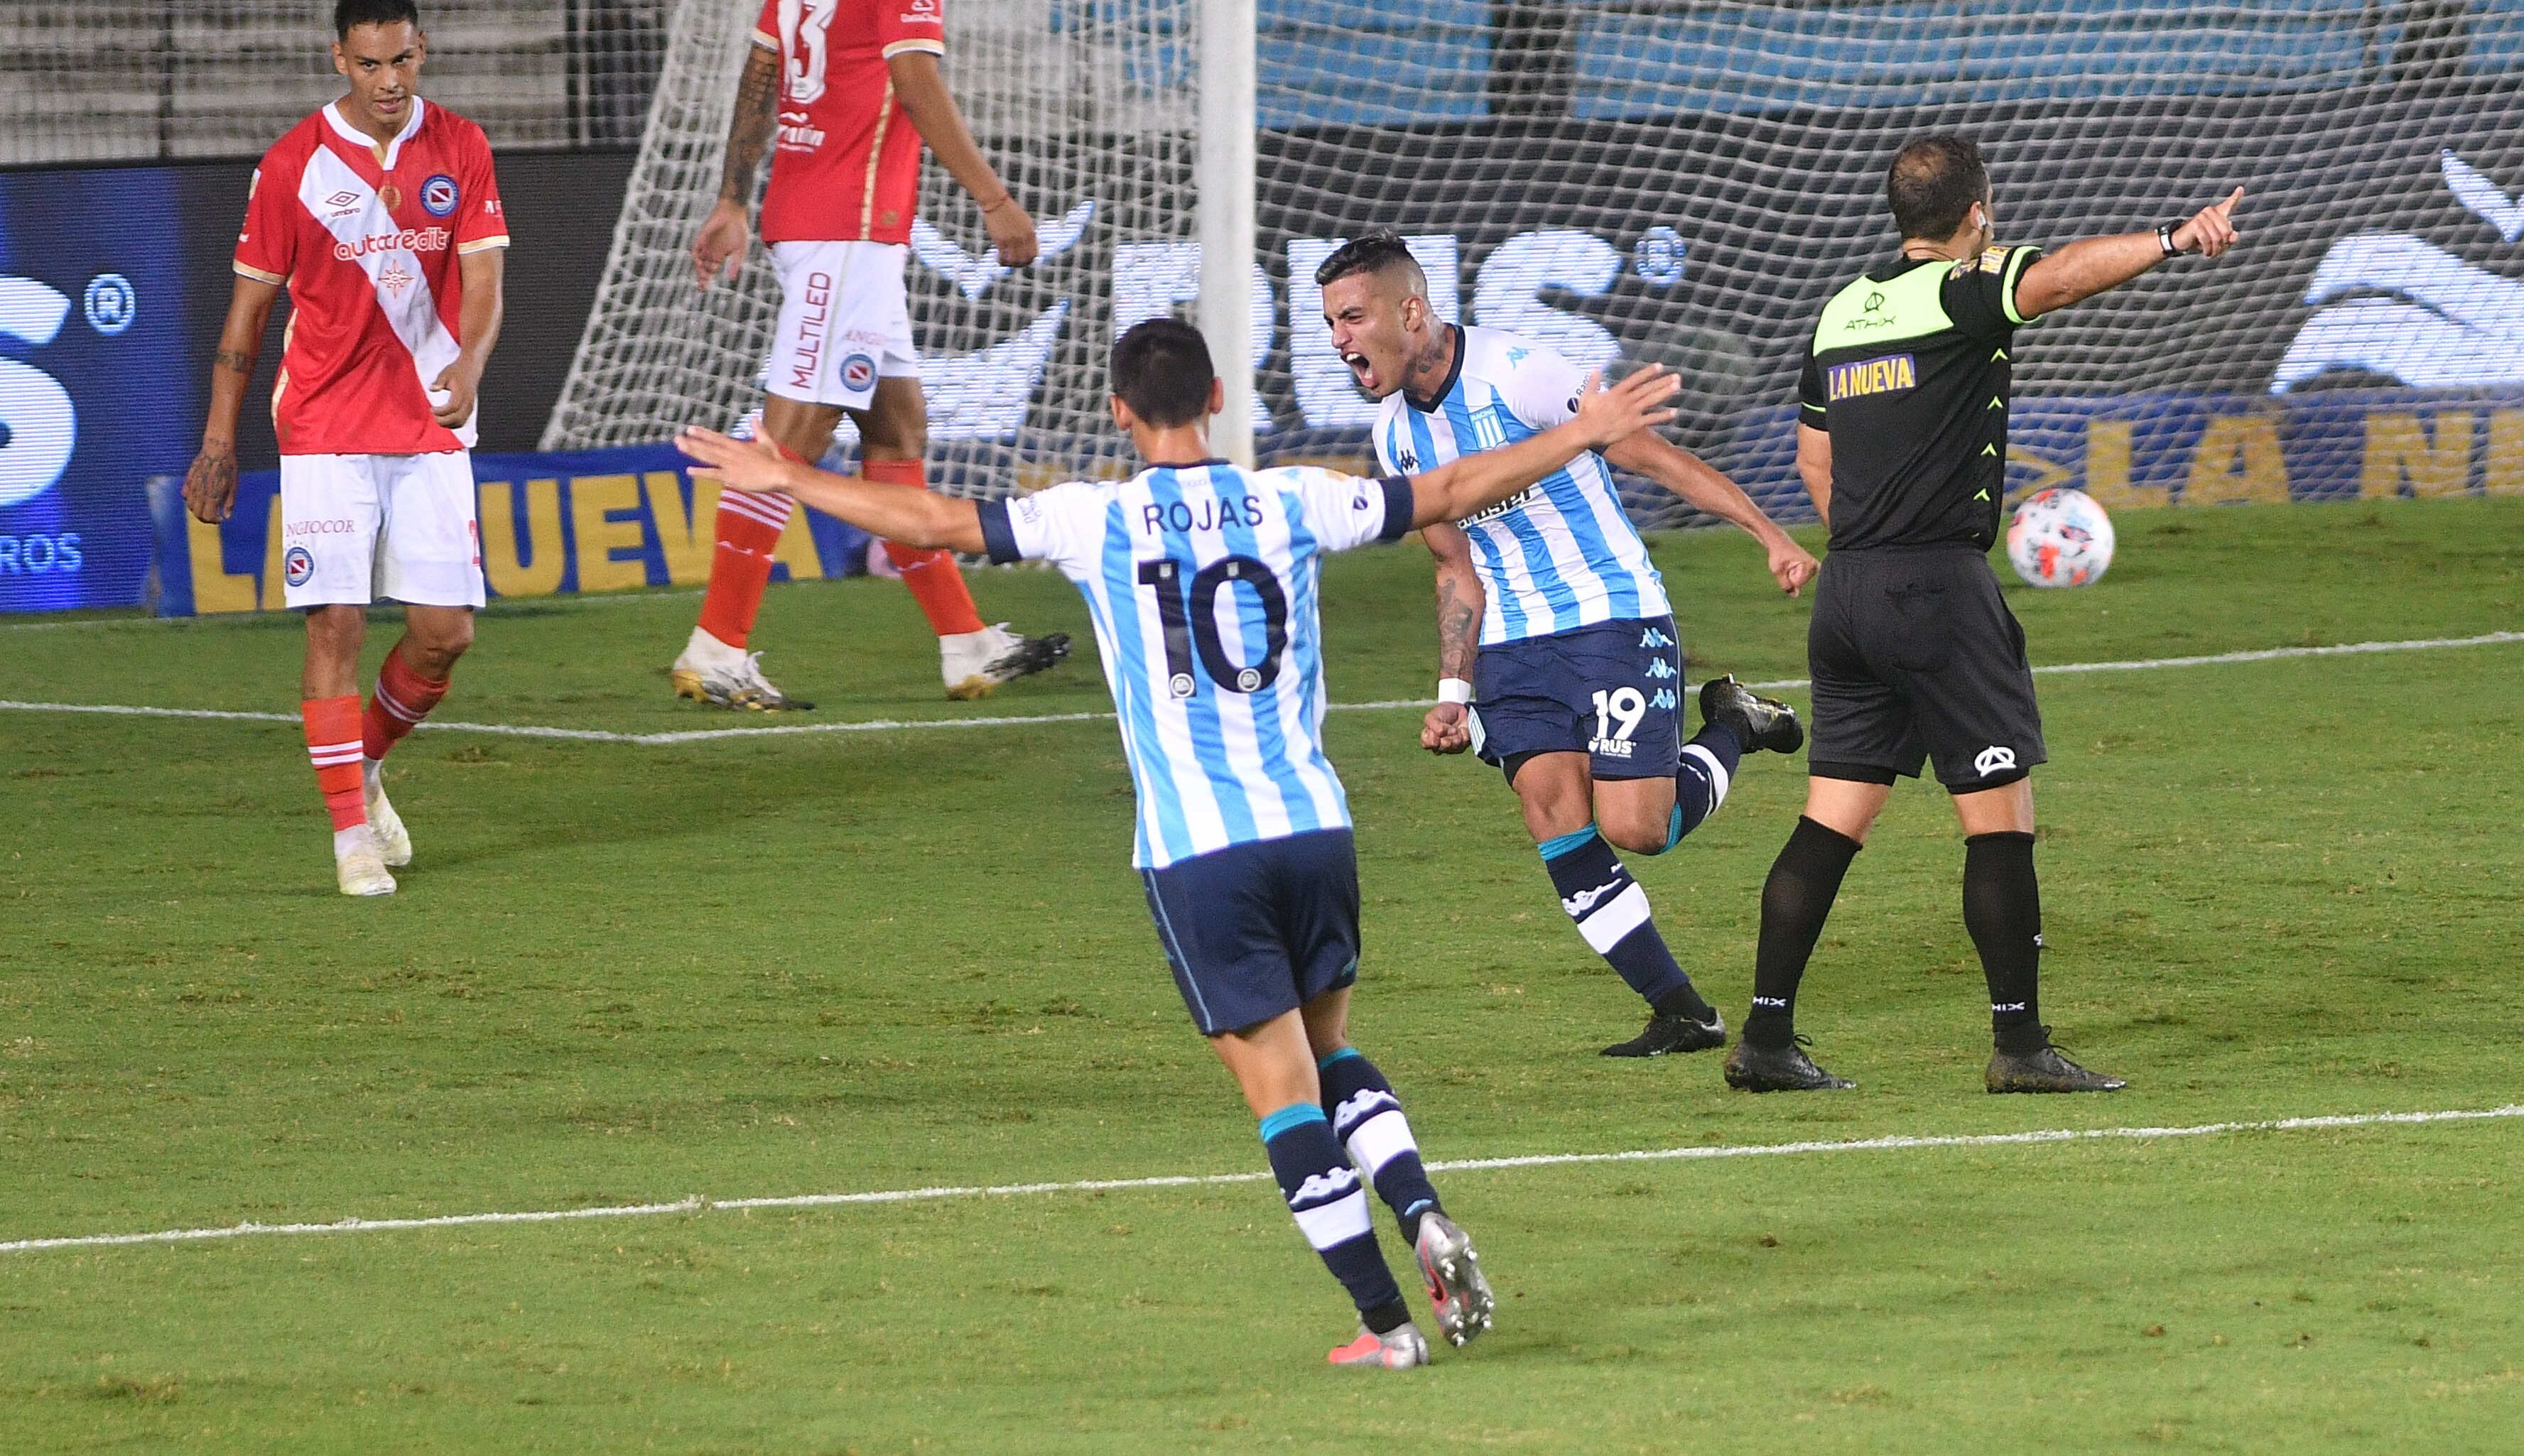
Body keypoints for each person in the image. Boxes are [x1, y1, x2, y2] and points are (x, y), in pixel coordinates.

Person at [679, 317, 1686, 1367]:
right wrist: (1584, 430)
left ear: (1120, 410)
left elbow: (929, 518)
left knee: (1279, 1092)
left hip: (1201, 849)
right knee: (1331, 1049)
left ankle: (1386, 1324)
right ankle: (1420, 1207)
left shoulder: (1092, 517)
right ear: (1216, 398)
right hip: (1315, 827)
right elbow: (1445, 491)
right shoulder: (1292, 496)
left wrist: (784, 473)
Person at [1726, 134, 2243, 1094]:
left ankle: (1763, 1041)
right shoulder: (1966, 287)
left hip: (1847, 592)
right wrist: (2171, 237)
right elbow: (2054, 283)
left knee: (1831, 819)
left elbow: (1813, 459)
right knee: (1999, 823)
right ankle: (2020, 1046)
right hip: (1936, 595)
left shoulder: (1842, 310)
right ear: (1977, 213)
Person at [1316, 232, 1817, 1058]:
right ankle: (1682, 1010)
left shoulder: (1522, 374)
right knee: (1551, 805)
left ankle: (1733, 724)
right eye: (1330, 321)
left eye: (1351, 316)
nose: (1339, 338)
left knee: (1639, 827)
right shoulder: (1394, 434)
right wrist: (1453, 690)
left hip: (1610, 616)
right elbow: (1454, 568)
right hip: (1513, 642)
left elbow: (1654, 459)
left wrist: (1768, 534)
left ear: (1410, 309)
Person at [671, 0, 1067, 710]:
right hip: (843, 231)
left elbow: (764, 65)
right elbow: (915, 79)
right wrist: (995, 201)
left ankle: (966, 643)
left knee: (895, 431)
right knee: (789, 438)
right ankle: (717, 644)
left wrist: (735, 195)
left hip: (832, 225)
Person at [181, 0, 507, 897]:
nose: (388, 79)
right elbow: (246, 318)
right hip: (323, 422)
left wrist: (471, 364)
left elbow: (482, 285)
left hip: (431, 420)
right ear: (340, 60)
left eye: (402, 58)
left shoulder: (463, 148)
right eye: (369, 62)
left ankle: (359, 764)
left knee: (445, 636)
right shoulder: (293, 165)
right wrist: (218, 442)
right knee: (337, 623)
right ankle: (349, 839)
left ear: (422, 50)